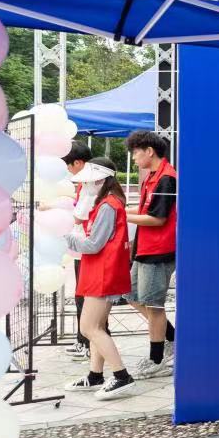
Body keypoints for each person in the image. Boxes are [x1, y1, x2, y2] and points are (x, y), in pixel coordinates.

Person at [63, 158, 138, 399]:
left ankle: (121, 376)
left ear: (100, 181)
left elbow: (94, 244)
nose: (84, 186)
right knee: (97, 327)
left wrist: (66, 237)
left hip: (103, 273)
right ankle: (95, 375)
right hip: (101, 271)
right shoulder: (108, 203)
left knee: (89, 327)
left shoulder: (108, 205)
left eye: (88, 182)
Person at [124, 130, 178, 379]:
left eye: (136, 153)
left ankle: (157, 359)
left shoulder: (167, 178)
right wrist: (119, 209)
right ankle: (172, 338)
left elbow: (157, 219)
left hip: (158, 250)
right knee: (131, 294)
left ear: (149, 151)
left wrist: (121, 216)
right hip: (144, 248)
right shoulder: (153, 176)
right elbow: (145, 210)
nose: (134, 158)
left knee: (154, 305)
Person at [55, 140, 96, 361]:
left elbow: (80, 215)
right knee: (82, 295)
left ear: (78, 163)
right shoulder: (84, 183)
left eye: (68, 166)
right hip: (82, 247)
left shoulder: (91, 183)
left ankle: (90, 342)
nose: (67, 171)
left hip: (88, 247)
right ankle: (84, 340)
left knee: (87, 298)